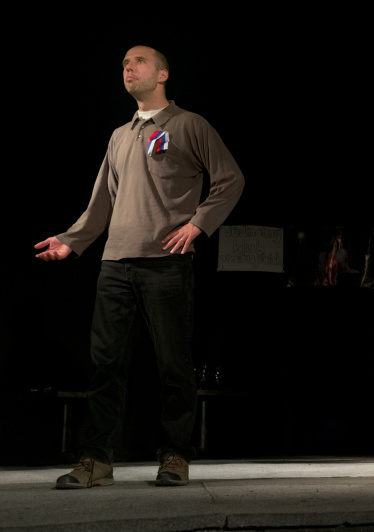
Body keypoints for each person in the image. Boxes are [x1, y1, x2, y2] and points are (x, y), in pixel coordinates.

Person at [35, 45, 245, 488]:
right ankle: (97, 459)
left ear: (163, 73)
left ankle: (174, 456)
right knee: (105, 366)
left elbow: (230, 179)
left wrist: (198, 225)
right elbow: (102, 201)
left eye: (139, 62)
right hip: (115, 263)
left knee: (173, 366)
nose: (128, 67)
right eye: (124, 64)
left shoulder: (188, 124)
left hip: (166, 263)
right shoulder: (120, 135)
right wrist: (72, 240)